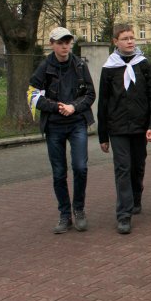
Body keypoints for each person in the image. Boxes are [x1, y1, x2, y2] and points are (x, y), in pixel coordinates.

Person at [28, 27, 96, 234]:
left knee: (80, 167)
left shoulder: (79, 65)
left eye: (67, 42)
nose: (65, 46)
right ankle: (65, 214)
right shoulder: (44, 67)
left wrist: (74, 107)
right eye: (60, 42)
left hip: (77, 123)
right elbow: (33, 97)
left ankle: (79, 210)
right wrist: (57, 107)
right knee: (59, 173)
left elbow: (90, 94)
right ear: (52, 44)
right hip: (54, 126)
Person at [98, 24, 151, 234]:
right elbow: (104, 103)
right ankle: (123, 215)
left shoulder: (144, 65)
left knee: (137, 166)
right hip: (117, 128)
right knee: (122, 168)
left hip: (140, 127)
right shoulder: (109, 68)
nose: (130, 41)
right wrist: (103, 135)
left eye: (132, 38)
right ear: (115, 41)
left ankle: (136, 195)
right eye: (125, 38)